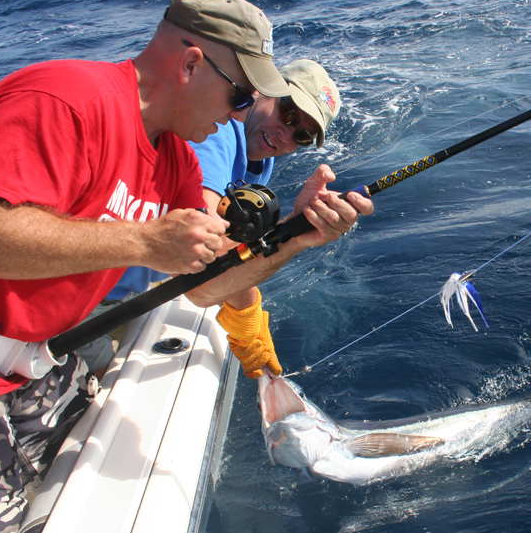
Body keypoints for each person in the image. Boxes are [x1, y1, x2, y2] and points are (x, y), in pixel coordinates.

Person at [0, 0, 363, 533]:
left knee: (56, 502)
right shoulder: (63, 98)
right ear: (192, 63)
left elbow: (208, 288)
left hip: (37, 361)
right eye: (241, 94)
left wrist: (299, 238)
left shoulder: (176, 162)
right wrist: (140, 240)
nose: (240, 113)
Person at [90, 58, 367, 379]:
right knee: (101, 384)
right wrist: (248, 317)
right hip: (85, 292)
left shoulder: (256, 154)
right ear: (265, 89)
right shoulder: (218, 132)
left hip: (118, 289)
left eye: (301, 135)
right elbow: (204, 255)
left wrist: (293, 225)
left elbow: (229, 239)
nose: (285, 133)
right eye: (288, 113)